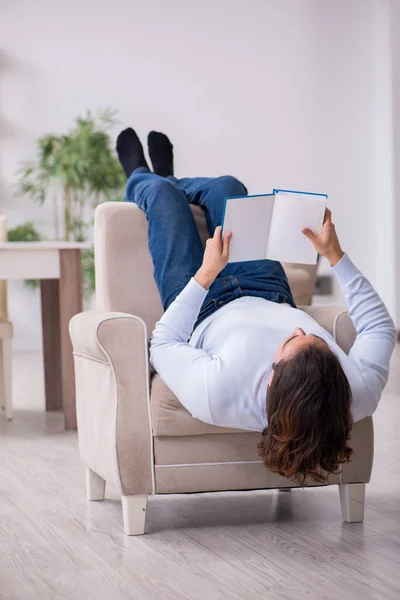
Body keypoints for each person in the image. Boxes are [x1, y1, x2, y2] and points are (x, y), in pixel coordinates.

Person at [116, 127, 397, 484]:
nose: (298, 328)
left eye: (290, 342)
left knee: (161, 196)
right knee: (228, 188)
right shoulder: (358, 392)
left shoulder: (217, 393)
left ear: (270, 382)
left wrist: (205, 276)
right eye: (316, 338)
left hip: (203, 307)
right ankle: (168, 176)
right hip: (269, 290)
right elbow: (379, 328)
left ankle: (141, 176)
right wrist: (334, 254)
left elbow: (163, 344)